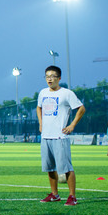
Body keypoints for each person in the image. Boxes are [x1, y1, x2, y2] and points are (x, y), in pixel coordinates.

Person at [37, 65, 86, 206]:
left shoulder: (66, 93)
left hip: (60, 137)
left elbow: (81, 108)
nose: (49, 79)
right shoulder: (43, 93)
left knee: (67, 168)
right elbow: (38, 107)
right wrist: (41, 123)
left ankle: (72, 196)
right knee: (50, 168)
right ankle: (55, 195)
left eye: (52, 76)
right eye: (47, 76)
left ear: (59, 78)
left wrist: (72, 125)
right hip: (46, 136)